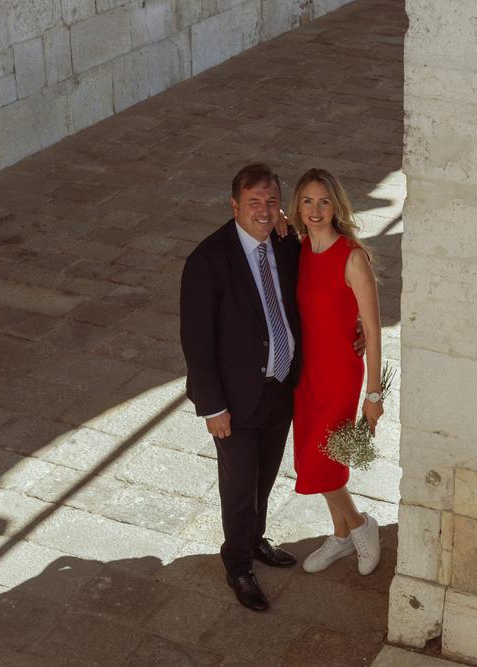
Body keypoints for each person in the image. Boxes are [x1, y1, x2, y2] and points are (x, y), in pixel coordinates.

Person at [179, 163, 328, 613]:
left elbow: (308, 294)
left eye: (270, 202)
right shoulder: (208, 261)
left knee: (265, 477)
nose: (263, 211)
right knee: (240, 485)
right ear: (234, 206)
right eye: (253, 203)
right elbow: (197, 344)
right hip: (235, 399)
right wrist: (213, 407)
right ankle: (238, 563)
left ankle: (256, 538)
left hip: (280, 387)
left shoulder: (284, 243)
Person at [288, 168, 383, 576]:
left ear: (336, 206)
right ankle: (341, 535)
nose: (315, 209)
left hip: (340, 374)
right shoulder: (298, 249)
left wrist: (374, 394)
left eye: (323, 201)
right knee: (312, 458)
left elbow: (374, 330)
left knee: (320, 463)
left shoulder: (353, 257)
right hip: (305, 373)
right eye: (307, 201)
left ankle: (362, 526)